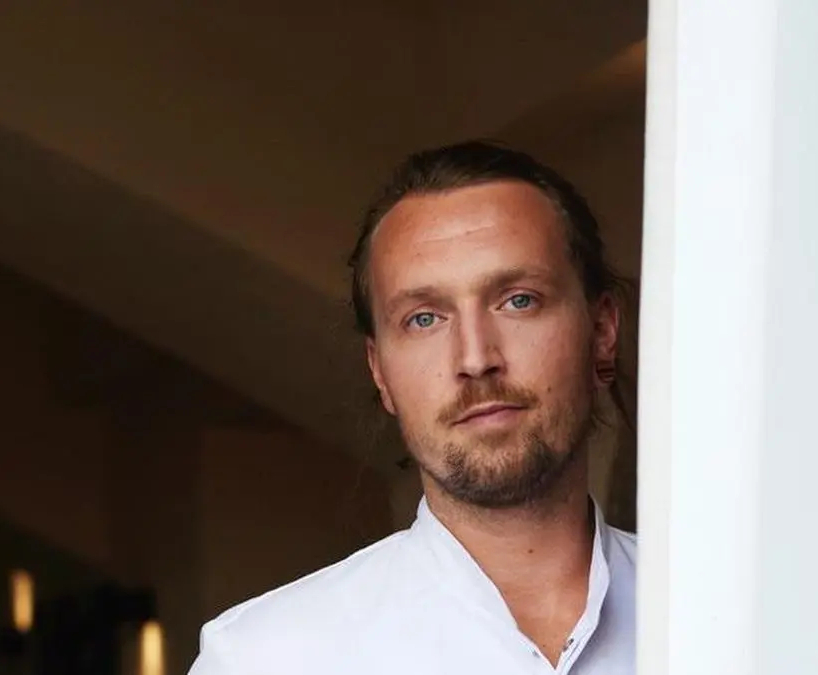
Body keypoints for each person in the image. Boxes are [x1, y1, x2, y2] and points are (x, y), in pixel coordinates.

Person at [188, 140, 636, 674]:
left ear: (602, 331)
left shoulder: (720, 608)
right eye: (424, 319)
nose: (475, 359)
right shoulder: (264, 659)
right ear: (379, 371)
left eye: (518, 300)